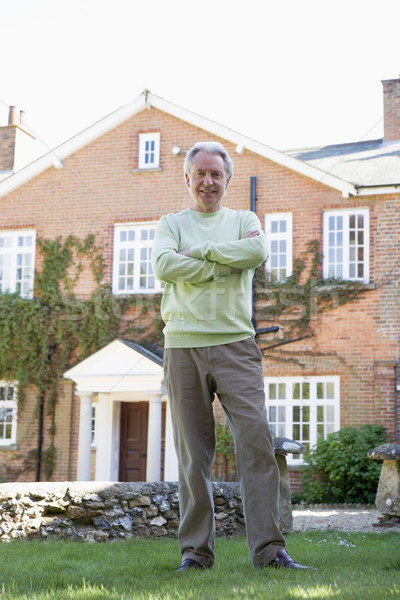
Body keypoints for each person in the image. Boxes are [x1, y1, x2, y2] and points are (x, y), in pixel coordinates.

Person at [151, 141, 316, 572]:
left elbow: (256, 253)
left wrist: (202, 253)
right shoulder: (171, 223)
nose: (208, 181)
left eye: (216, 174)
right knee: (193, 455)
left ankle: (270, 552)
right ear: (187, 178)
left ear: (227, 180)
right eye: (200, 174)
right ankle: (196, 554)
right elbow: (166, 266)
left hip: (236, 346)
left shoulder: (244, 220)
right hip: (183, 346)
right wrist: (226, 261)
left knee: (257, 444)